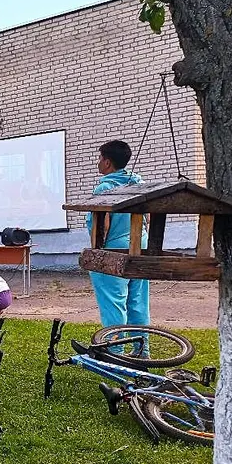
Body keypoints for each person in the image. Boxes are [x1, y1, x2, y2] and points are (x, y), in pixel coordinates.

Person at [89, 139, 150, 327]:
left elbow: (103, 225)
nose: (98, 162)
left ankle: (115, 344)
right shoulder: (139, 184)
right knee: (138, 301)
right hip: (141, 244)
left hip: (114, 248)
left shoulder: (105, 188)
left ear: (107, 162)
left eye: (100, 158)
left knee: (113, 301)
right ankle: (140, 344)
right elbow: (148, 217)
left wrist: (97, 252)